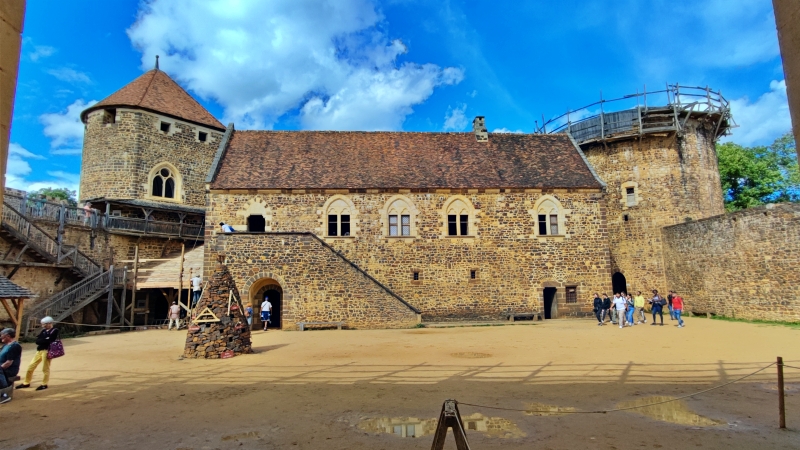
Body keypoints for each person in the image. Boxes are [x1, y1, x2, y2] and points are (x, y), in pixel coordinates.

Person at [18, 316, 59, 391]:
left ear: (49, 323)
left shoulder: (54, 330)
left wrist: (44, 340)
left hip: (47, 351)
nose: (43, 326)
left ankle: (44, 384)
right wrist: (45, 339)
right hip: (39, 351)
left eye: (44, 324)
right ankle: (26, 382)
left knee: (45, 368)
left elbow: (51, 340)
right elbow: (37, 341)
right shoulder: (44, 331)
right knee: (30, 366)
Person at [0, 328, 22, 404]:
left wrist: (0, 368)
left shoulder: (15, 346)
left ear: (8, 336)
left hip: (10, 369)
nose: (0, 337)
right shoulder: (5, 346)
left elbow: (9, 362)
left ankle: (5, 395)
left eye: (2, 335)